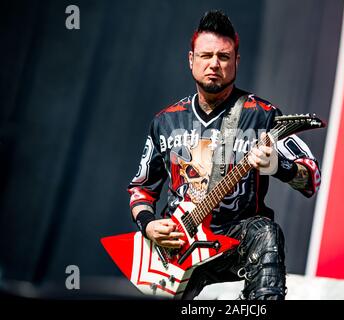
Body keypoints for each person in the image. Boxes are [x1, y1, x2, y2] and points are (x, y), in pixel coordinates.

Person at [127, 10, 321, 300]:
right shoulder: (165, 121)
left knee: (266, 232)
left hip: (235, 241)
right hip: (180, 248)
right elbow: (141, 189)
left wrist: (279, 167)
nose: (214, 64)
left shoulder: (263, 116)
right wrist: (148, 225)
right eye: (206, 56)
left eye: (224, 56)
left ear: (236, 62)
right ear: (191, 59)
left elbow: (312, 178)